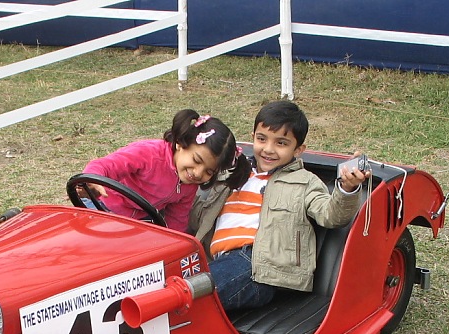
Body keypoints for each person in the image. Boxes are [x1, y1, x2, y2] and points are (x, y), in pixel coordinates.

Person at [188, 100, 370, 311]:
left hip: (262, 268)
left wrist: (347, 189)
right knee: (167, 284)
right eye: (261, 139)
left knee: (189, 297)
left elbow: (331, 215)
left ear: (298, 149)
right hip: (215, 260)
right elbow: (196, 216)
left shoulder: (305, 182)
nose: (268, 149)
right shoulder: (232, 174)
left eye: (281, 143)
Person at [81, 109, 251, 232]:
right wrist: (93, 180)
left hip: (140, 222)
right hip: (102, 208)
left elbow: (177, 219)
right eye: (197, 160)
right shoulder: (150, 154)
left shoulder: (189, 184)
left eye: (209, 171)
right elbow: (108, 164)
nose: (198, 173)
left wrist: (173, 241)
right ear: (180, 143)